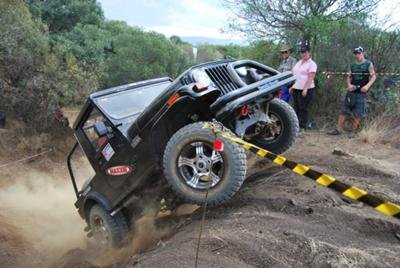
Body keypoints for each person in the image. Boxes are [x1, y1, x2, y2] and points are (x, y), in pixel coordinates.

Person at [328, 46, 376, 136]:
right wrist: (349, 85)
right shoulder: (352, 65)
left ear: (363, 53)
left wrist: (367, 86)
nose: (357, 55)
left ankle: (352, 132)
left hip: (362, 92)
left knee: (358, 112)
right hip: (351, 92)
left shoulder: (368, 64)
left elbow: (373, 76)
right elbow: (349, 76)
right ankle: (338, 129)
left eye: (359, 53)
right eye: (356, 54)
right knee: (344, 110)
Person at [289, 45, 317, 130]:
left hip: (306, 89)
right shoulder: (299, 63)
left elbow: (311, 77)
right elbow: (296, 76)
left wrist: (305, 89)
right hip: (297, 88)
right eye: (302, 52)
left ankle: (302, 126)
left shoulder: (312, 64)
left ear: (309, 53)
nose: (303, 54)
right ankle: (296, 125)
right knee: (296, 106)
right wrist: (293, 86)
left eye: (305, 52)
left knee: (304, 108)